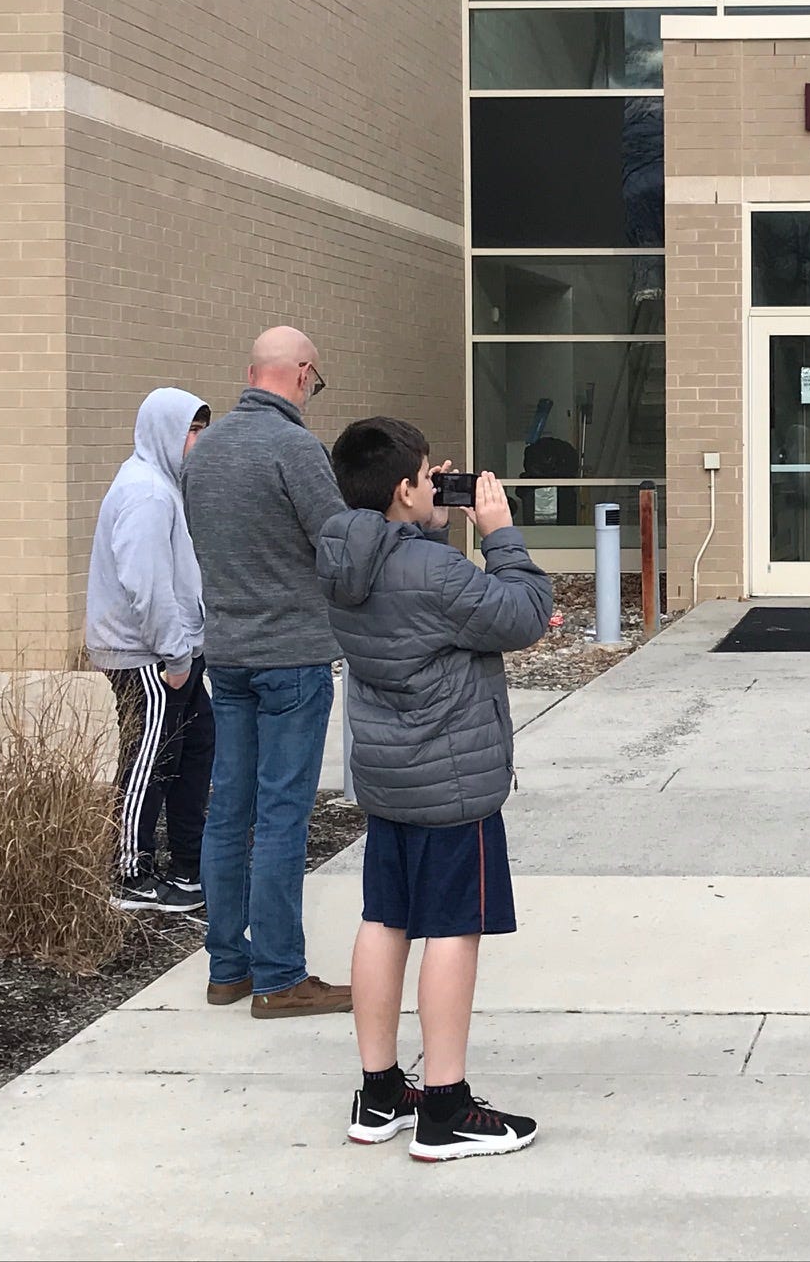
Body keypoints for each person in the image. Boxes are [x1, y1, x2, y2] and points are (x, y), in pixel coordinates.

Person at [316, 418, 550, 1161]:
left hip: (388, 775)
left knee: (385, 918)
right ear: (403, 490)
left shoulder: (343, 557)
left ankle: (379, 1091)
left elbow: (424, 606)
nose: (436, 482)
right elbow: (525, 613)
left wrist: (431, 523)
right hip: (451, 777)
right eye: (426, 476)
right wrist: (502, 534)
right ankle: (446, 1107)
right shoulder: (433, 572)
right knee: (453, 927)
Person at [182, 327, 352, 1018]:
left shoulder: (204, 451)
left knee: (228, 810)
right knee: (283, 815)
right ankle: (281, 976)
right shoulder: (297, 449)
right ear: (303, 373)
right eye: (315, 380)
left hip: (228, 653)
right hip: (292, 656)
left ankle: (229, 968)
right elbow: (338, 542)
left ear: (253, 372)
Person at [85, 388, 214, 913]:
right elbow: (148, 584)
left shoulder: (161, 484)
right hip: (148, 657)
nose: (198, 442)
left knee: (196, 747)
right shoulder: (148, 493)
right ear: (165, 431)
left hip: (170, 651)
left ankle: (188, 868)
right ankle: (128, 873)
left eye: (202, 430)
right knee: (148, 759)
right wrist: (176, 655)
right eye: (192, 431)